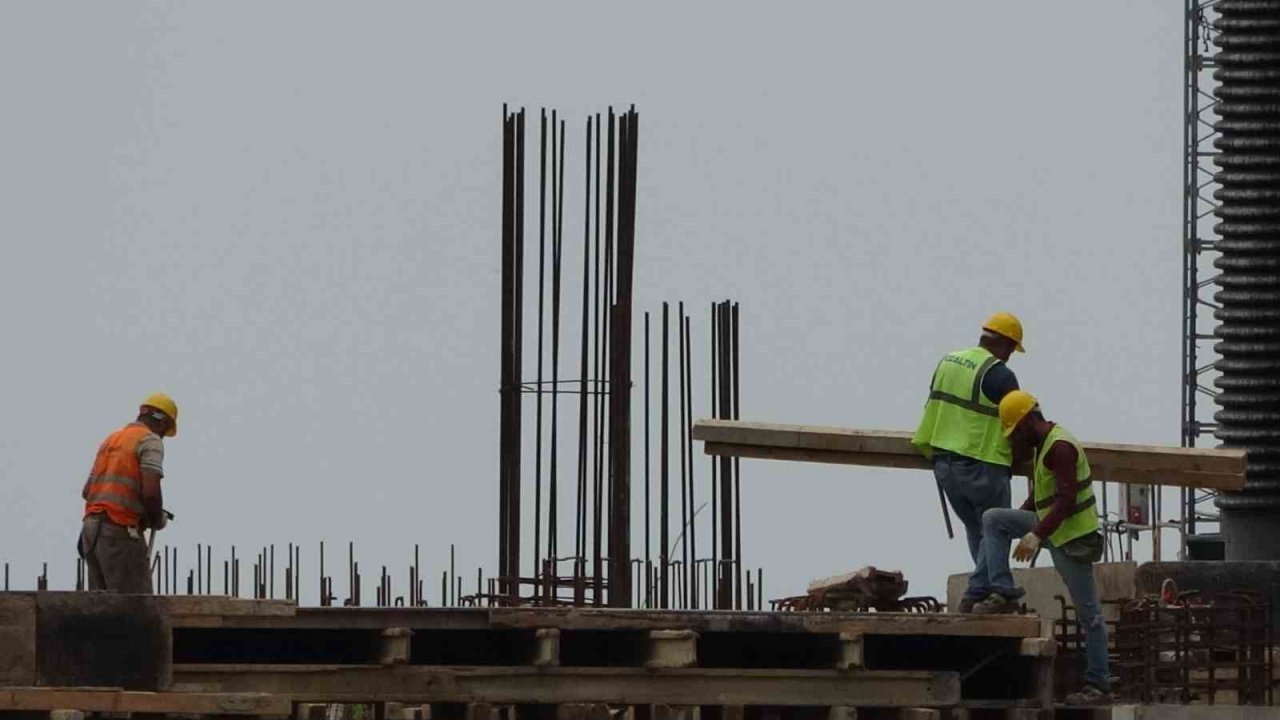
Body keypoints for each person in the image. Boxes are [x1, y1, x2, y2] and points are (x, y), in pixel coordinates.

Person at [974, 390, 1111, 706]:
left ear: (1027, 422)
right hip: (1053, 528)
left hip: (1073, 539)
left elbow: (1066, 500)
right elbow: (1041, 497)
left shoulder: (1060, 448)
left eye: (1014, 433)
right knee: (994, 519)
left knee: (1089, 614)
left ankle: (1099, 685)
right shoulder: (1042, 445)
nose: (1014, 441)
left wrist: (1035, 534)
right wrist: (1021, 523)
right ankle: (1002, 591)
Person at [911, 312, 1025, 613]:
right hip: (982, 461)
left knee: (978, 530)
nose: (1011, 356)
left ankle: (990, 591)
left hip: (944, 464)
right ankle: (984, 591)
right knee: (996, 526)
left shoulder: (948, 362)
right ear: (1002, 343)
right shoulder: (1000, 374)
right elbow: (1019, 420)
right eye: (1011, 349)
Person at [79, 393, 178, 594]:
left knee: (101, 607)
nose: (162, 437)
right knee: (136, 607)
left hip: (91, 532)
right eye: (165, 431)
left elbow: (87, 491)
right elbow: (150, 493)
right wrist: (156, 518)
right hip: (119, 531)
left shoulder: (111, 440)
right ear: (161, 422)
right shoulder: (149, 441)